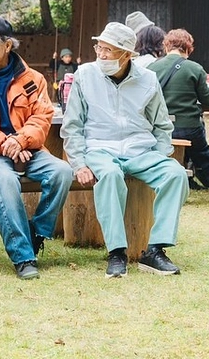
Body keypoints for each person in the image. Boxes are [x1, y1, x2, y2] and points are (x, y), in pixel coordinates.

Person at [61, 22, 189, 278]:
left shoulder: (148, 79)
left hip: (141, 150)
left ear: (127, 55)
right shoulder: (85, 75)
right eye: (99, 47)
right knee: (109, 177)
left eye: (109, 50)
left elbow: (162, 124)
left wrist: (162, 154)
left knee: (176, 174)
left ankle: (155, 250)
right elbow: (72, 124)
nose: (101, 54)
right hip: (100, 148)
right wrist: (79, 163)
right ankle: (116, 252)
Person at [0, 16, 73, 280]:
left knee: (62, 172)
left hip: (26, 147)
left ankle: (37, 233)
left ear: (7, 46)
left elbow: (42, 117)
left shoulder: (34, 79)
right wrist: (6, 143)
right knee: (6, 181)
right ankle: (23, 257)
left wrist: (19, 140)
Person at [149, 29, 209, 193]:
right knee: (202, 153)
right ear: (188, 48)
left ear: (166, 47)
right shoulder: (195, 68)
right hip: (189, 127)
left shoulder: (152, 68)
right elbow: (207, 100)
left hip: (161, 128)